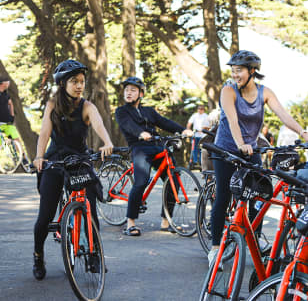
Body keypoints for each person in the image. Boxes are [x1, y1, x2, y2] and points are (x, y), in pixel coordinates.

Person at [207, 50, 308, 267]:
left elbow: (283, 114)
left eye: (239, 71)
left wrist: (303, 133)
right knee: (224, 196)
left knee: (258, 196)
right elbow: (232, 120)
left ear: (253, 71)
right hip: (225, 149)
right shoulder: (228, 90)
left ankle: (255, 237)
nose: (235, 75)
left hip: (250, 150)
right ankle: (215, 248)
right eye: (233, 71)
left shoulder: (264, 92)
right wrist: (240, 143)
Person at [32, 60, 113, 280]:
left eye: (82, 82)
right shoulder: (52, 104)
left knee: (90, 209)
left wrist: (107, 142)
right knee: (45, 217)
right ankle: (38, 255)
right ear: (62, 83)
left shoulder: (87, 106)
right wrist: (39, 157)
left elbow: (98, 125)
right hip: (55, 161)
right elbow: (44, 134)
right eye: (74, 81)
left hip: (79, 160)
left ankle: (95, 253)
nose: (79, 86)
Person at [115, 77, 193, 236]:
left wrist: (182, 130)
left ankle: (166, 221)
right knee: (141, 182)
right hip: (139, 147)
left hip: (157, 146)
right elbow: (127, 126)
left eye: (133, 90)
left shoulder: (148, 111)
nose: (129, 93)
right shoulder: (121, 111)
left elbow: (164, 122)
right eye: (127, 90)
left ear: (141, 94)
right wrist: (140, 133)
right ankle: (130, 222)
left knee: (174, 180)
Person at [0, 75, 28, 165]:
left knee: (16, 139)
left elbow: (10, 104)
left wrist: (12, 115)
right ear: (2, 83)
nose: (9, 83)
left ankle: (24, 158)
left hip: (7, 122)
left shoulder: (5, 94)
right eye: (7, 81)